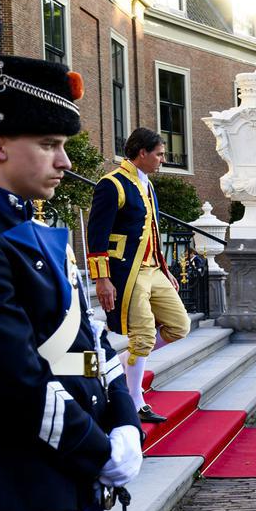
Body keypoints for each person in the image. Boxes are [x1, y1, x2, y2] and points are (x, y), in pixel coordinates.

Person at [0, 51, 142, 511]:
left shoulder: (38, 230)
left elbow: (89, 341)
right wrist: (98, 449)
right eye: (49, 145)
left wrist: (125, 419)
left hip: (70, 480)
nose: (65, 162)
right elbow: (13, 376)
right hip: (18, 490)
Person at [87, 127, 191, 424]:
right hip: (127, 272)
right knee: (143, 335)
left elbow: (154, 233)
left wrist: (165, 268)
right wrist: (102, 279)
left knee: (179, 326)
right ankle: (134, 401)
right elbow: (97, 236)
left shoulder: (148, 185)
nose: (163, 159)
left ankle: (114, 369)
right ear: (142, 153)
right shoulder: (112, 184)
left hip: (154, 269)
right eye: (159, 154)